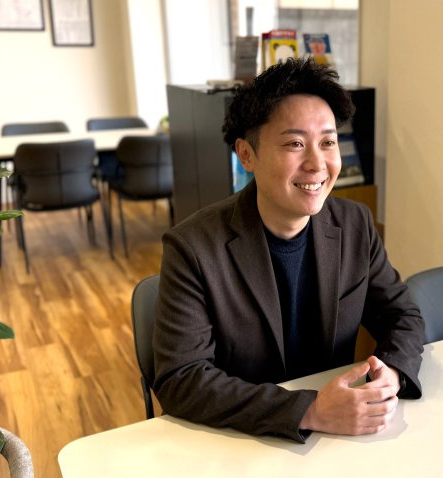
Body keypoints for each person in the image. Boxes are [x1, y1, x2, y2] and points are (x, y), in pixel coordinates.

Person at [153, 58, 424, 443]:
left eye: (328, 142)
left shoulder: (355, 224)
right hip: (243, 442)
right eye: (295, 144)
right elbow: (181, 378)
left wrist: (392, 373)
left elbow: (401, 314)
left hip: (338, 439)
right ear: (247, 155)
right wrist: (310, 410)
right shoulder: (193, 247)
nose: (317, 164)